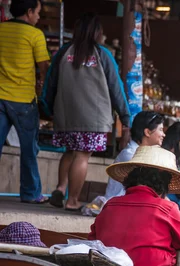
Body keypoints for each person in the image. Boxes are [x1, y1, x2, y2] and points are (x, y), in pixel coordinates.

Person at [44, 13, 130, 211]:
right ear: (97, 33)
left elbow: (51, 83)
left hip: (65, 115)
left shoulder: (64, 52)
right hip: (93, 117)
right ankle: (72, 200)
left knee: (69, 152)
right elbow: (115, 87)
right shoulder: (103, 54)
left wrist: (48, 108)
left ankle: (60, 187)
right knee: (82, 156)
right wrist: (125, 115)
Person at [0, 0, 50, 204]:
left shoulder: (1, 29)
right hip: (23, 101)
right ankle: (30, 194)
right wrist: (44, 87)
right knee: (29, 149)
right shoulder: (34, 34)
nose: (39, 17)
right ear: (29, 12)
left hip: (0, 98)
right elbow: (44, 67)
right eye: (37, 12)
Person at [104, 111, 165, 200]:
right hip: (121, 206)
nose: (163, 134)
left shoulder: (143, 153)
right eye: (160, 129)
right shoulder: (131, 155)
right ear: (147, 132)